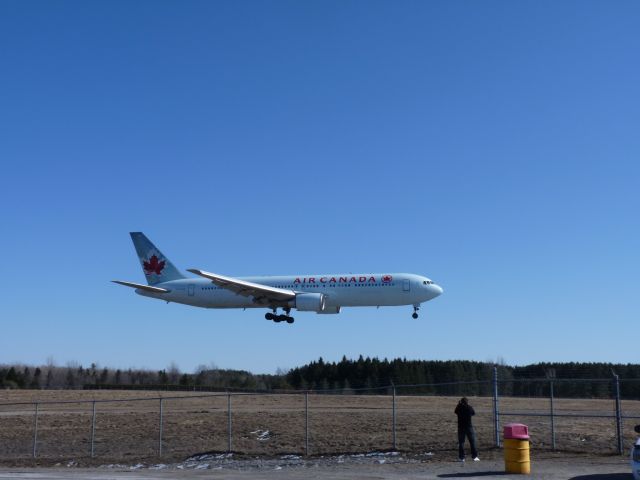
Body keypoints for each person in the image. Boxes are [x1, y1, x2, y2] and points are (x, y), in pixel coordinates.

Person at [454, 397, 479, 462]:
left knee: (461, 442)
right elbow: (473, 413)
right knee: (472, 442)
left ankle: (462, 458)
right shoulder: (469, 407)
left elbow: (455, 411)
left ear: (461, 402)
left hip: (461, 427)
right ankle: (475, 457)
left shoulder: (459, 408)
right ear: (467, 402)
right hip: (469, 427)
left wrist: (458, 404)